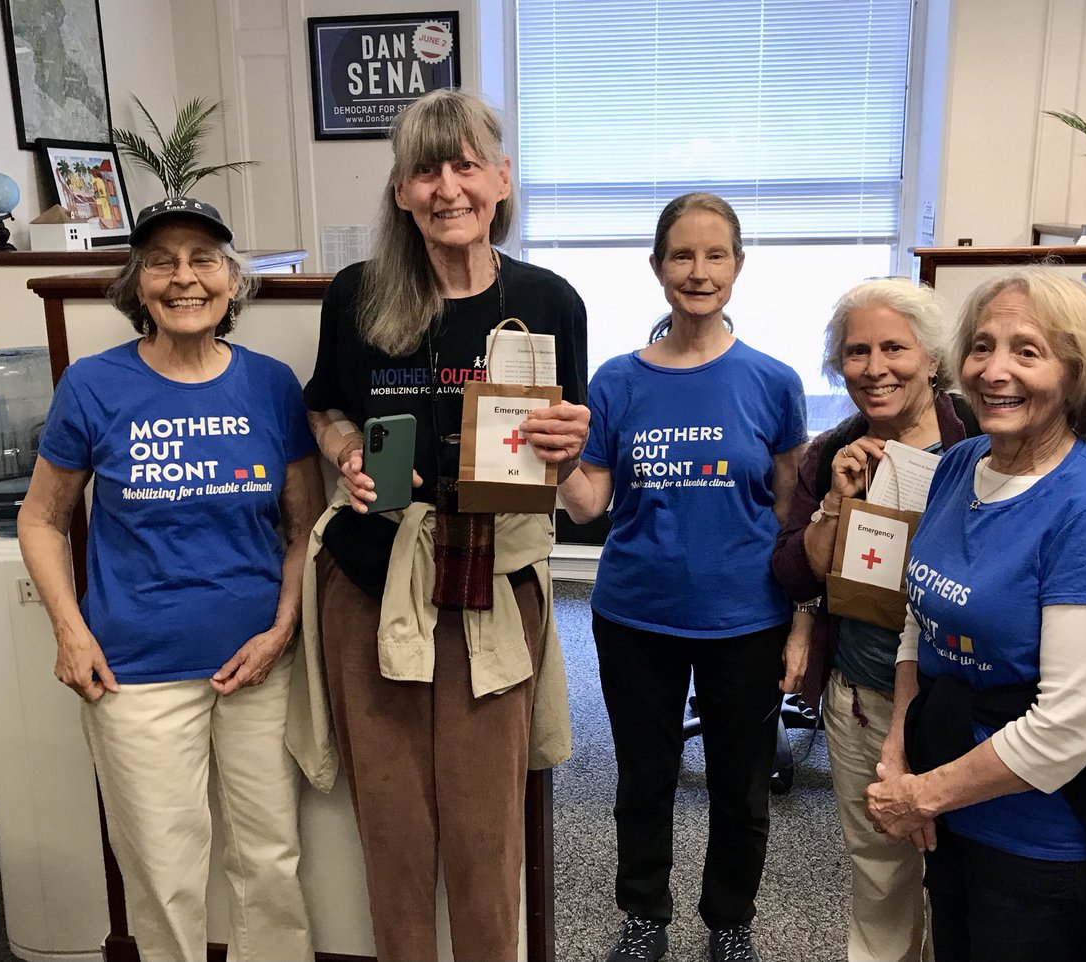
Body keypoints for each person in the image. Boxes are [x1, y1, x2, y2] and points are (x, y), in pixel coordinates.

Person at [299, 89, 588, 961]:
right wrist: (346, 448)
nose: (447, 187)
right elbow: (326, 406)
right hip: (370, 581)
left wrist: (570, 448)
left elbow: (557, 451)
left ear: (502, 179)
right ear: (399, 190)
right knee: (391, 830)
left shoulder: (548, 299)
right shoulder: (356, 295)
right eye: (426, 169)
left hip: (489, 583)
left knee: (484, 832)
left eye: (467, 164)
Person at [17, 196, 322, 961]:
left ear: (231, 278)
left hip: (258, 664)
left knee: (270, 863)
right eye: (162, 261)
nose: (185, 278)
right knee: (164, 872)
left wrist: (283, 629)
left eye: (204, 259)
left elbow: (303, 527)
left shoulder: (270, 384)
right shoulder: (93, 386)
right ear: (137, 280)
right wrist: (69, 631)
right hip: (133, 673)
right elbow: (42, 519)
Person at [863, 268, 1086, 962]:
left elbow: (1070, 725)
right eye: (982, 346)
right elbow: (919, 616)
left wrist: (921, 796)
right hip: (948, 810)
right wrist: (899, 746)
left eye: (1028, 351)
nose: (995, 370)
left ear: (1077, 375)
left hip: (1036, 842)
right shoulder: (958, 463)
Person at [559, 192, 807, 962]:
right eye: (681, 256)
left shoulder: (772, 381)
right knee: (643, 778)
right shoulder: (617, 380)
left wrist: (802, 618)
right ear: (657, 266)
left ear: (737, 265)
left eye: (715, 256)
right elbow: (590, 500)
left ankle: (730, 921)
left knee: (740, 784)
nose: (698, 273)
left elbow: (792, 507)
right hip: (637, 611)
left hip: (747, 613)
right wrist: (555, 455)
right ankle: (645, 915)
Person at [771, 278, 979, 961]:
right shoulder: (833, 450)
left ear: (932, 358)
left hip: (958, 707)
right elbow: (797, 573)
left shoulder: (978, 444)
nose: (874, 367)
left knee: (953, 881)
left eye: (894, 347)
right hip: (860, 696)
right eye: (856, 351)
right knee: (881, 876)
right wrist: (837, 499)